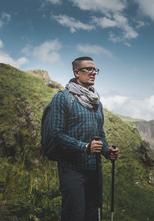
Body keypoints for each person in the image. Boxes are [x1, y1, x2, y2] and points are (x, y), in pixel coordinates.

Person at [50, 56, 119, 221]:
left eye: (95, 69)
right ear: (77, 72)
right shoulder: (63, 98)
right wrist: (84, 147)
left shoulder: (97, 103)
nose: (93, 72)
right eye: (89, 69)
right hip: (72, 169)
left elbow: (99, 134)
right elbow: (57, 134)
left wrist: (106, 151)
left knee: (93, 215)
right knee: (74, 214)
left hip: (95, 170)